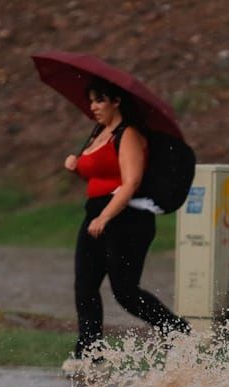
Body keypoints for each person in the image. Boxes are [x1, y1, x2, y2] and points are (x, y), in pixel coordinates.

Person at [63, 76, 190, 365]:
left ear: (116, 101)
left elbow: (130, 182)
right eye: (91, 100)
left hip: (127, 219)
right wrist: (75, 166)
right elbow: (99, 174)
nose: (94, 106)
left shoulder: (128, 134)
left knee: (125, 291)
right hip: (95, 215)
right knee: (85, 285)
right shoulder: (99, 132)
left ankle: (178, 331)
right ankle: (90, 352)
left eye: (100, 100)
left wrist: (106, 216)